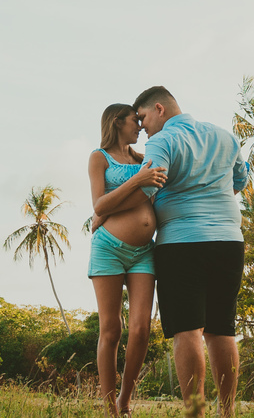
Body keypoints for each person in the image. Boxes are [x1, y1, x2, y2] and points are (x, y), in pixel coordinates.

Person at [134, 86, 248, 418]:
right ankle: (226, 413)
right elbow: (240, 180)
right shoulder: (224, 137)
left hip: (181, 242)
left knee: (187, 330)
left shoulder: (162, 141)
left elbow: (147, 184)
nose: (142, 128)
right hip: (229, 240)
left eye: (143, 119)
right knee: (221, 328)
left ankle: (196, 414)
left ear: (159, 109)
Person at [88, 103, 168, 418]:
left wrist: (106, 210)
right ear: (117, 122)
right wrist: (136, 182)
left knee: (141, 330)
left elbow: (149, 194)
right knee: (111, 329)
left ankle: (125, 398)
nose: (140, 126)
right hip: (108, 248)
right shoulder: (99, 157)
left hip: (143, 252)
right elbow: (98, 203)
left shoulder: (141, 158)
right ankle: (110, 409)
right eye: (135, 121)